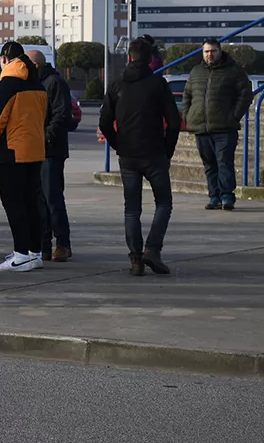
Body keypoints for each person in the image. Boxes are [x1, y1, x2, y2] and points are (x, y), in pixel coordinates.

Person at [100, 37, 183, 276]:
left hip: (128, 155)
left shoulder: (116, 85)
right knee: (164, 203)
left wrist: (118, 144)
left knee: (131, 209)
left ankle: (136, 260)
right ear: (149, 60)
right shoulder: (158, 84)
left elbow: (105, 122)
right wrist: (167, 150)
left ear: (129, 57)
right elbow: (174, 122)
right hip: (154, 153)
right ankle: (152, 250)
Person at [0, 41, 48, 273]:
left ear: (4, 60)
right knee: (31, 203)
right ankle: (34, 253)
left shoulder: (6, 86)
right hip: (34, 152)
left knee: (14, 205)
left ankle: (21, 254)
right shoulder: (38, 86)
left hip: (10, 153)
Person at [182, 38, 252, 211]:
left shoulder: (234, 71)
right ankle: (214, 197)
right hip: (201, 127)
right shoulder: (196, 71)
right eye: (206, 51)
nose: (209, 54)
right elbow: (187, 95)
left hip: (224, 127)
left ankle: (227, 195)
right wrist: (188, 115)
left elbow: (245, 94)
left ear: (220, 51)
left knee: (224, 161)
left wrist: (234, 116)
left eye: (213, 51)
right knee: (209, 164)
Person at [27, 49, 72, 261]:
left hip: (51, 151)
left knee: (52, 199)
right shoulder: (34, 84)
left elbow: (61, 115)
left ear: (35, 65)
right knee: (39, 202)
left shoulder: (54, 83)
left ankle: (62, 243)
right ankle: (44, 246)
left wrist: (43, 138)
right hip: (36, 150)